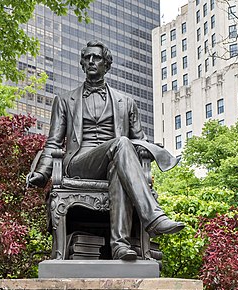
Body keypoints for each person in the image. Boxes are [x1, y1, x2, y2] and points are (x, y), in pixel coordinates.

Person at [26, 41, 184, 260]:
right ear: (82, 64)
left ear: (107, 65)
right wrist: (43, 174)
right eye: (87, 58)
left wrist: (151, 150)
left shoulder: (126, 102)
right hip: (80, 163)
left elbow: (140, 141)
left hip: (116, 163)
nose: (91, 61)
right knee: (121, 143)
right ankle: (154, 217)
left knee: (121, 161)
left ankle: (120, 245)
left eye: (97, 58)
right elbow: (53, 143)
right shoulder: (64, 100)